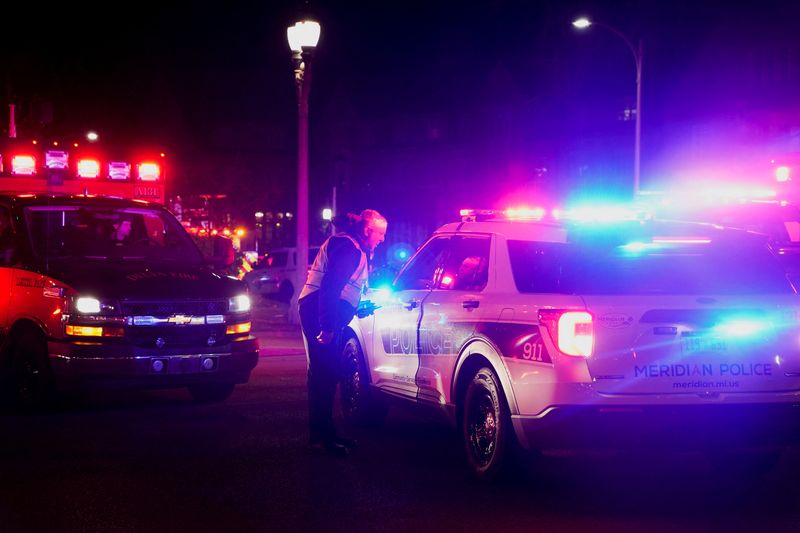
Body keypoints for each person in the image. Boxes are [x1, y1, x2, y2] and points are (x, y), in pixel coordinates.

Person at [298, 208, 388, 456]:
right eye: (380, 234)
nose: (382, 239)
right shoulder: (349, 249)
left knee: (325, 375)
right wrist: (327, 328)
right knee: (324, 375)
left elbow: (342, 291)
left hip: (320, 310)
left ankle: (326, 435)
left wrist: (357, 308)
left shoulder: (350, 247)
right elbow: (329, 289)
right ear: (368, 230)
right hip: (319, 311)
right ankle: (321, 438)